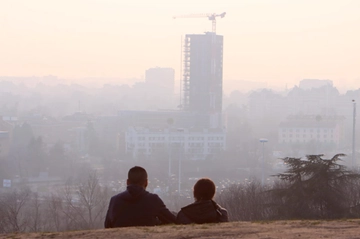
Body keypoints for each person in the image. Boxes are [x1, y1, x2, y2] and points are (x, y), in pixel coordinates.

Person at [104, 166, 176, 228]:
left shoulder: (114, 200)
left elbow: (107, 225)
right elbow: (173, 220)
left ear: (127, 182)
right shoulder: (153, 200)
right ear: (146, 182)